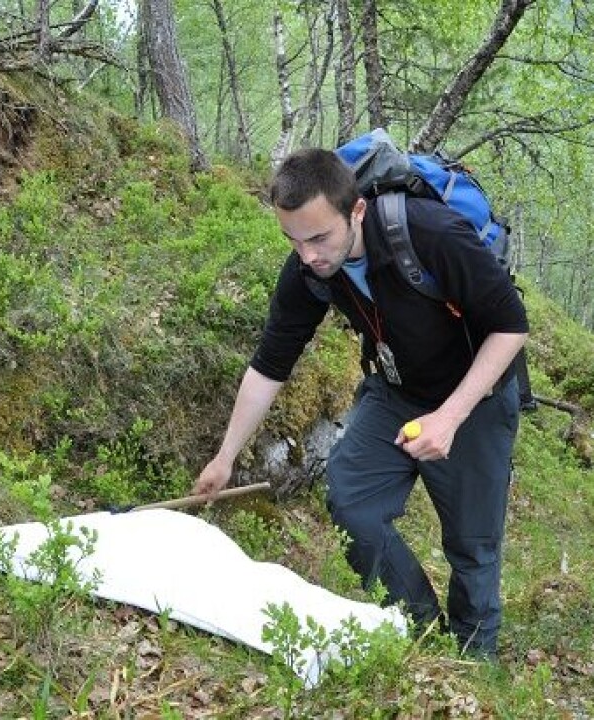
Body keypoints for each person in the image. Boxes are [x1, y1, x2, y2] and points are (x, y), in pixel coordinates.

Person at [193, 148, 528, 657]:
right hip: (397, 391)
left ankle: (475, 660)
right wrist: (225, 456)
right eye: (294, 240)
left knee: (472, 544)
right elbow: (269, 365)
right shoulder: (308, 271)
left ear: (357, 211)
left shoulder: (430, 233)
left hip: (475, 398)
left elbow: (511, 327)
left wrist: (449, 418)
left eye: (319, 237)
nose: (309, 255)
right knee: (351, 502)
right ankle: (419, 628)